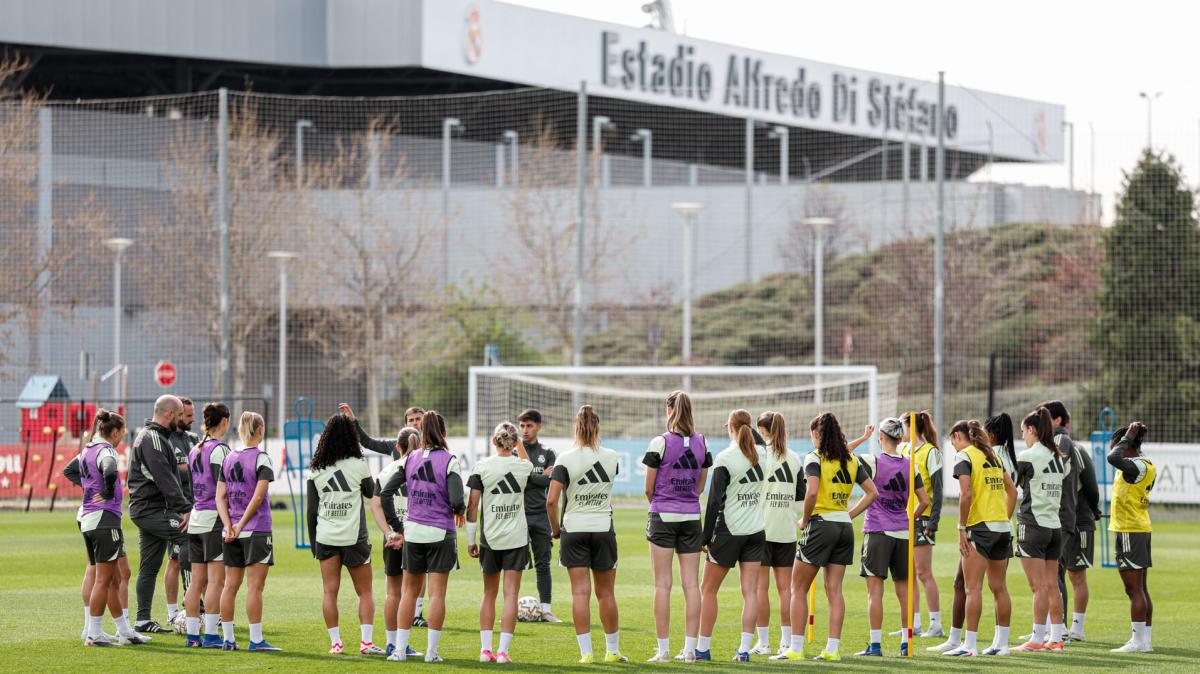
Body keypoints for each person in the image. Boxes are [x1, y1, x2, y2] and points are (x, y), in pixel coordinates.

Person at [774, 412, 877, 662]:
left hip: (820, 525)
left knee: (797, 587)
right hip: (843, 527)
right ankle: (832, 649)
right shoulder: (851, 459)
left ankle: (796, 649)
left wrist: (805, 520)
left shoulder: (814, 458)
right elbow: (872, 492)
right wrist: (848, 515)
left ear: (818, 435)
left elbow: (811, 493)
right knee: (835, 591)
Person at [929, 413, 1018, 654]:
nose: (953, 446)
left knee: (973, 588)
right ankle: (1002, 645)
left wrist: (961, 528)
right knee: (1000, 588)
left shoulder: (964, 456)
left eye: (952, 441)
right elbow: (1013, 492)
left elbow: (965, 494)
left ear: (958, 437)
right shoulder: (993, 456)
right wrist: (1003, 518)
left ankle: (969, 645)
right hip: (1002, 528)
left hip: (980, 528)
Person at [382, 410, 465, 663]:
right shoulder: (450, 460)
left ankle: (399, 651)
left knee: (408, 592)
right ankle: (431, 653)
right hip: (440, 532)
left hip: (414, 532)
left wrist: (399, 527)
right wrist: (459, 511)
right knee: (437, 594)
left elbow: (386, 494)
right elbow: (457, 499)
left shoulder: (409, 459)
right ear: (444, 432)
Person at [547, 405, 626, 664]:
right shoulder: (612, 456)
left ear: (575, 427)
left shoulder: (565, 458)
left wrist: (556, 529)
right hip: (603, 528)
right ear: (598, 427)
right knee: (606, 594)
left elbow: (551, 501)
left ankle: (586, 654)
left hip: (574, 529)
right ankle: (612, 651)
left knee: (580, 593)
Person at [69, 409, 148, 646]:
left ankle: (124, 630)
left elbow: (69, 470)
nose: (122, 437)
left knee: (114, 578)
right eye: (122, 433)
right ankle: (93, 633)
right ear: (113, 432)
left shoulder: (87, 450)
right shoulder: (106, 451)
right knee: (103, 580)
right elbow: (110, 469)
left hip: (90, 520)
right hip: (105, 520)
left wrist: (90, 487)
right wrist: (103, 491)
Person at [307, 412, 383, 656]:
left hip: (326, 537)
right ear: (352, 437)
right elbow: (371, 493)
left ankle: (336, 644)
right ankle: (366, 643)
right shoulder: (359, 466)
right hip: (354, 538)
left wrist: (313, 543)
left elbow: (311, 511)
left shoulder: (316, 469)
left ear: (326, 438)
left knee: (330, 591)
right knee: (366, 591)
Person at [642, 391, 709, 663]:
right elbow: (701, 485)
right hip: (691, 516)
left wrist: (663, 502)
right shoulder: (702, 442)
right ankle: (690, 650)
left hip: (663, 515)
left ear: (669, 409)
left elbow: (648, 488)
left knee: (662, 585)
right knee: (692, 585)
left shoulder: (660, 442)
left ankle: (664, 651)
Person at [855, 417, 929, 657]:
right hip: (902, 534)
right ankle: (906, 643)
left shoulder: (872, 461)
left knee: (874, 591)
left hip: (877, 531)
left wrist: (863, 439)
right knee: (904, 591)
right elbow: (925, 501)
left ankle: (875, 645)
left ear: (882, 437)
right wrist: (909, 520)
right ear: (900, 438)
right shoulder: (911, 465)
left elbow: (839, 454)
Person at [695, 409, 766, 662]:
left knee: (708, 590)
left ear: (730, 428)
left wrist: (703, 539)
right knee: (751, 592)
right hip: (756, 531)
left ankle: (702, 648)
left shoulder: (726, 457)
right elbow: (755, 439)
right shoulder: (764, 453)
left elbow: (714, 503)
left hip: (729, 531)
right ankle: (744, 651)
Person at [466, 422, 536, 664]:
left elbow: (472, 506)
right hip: (516, 538)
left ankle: (486, 651)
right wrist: (519, 446)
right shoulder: (523, 466)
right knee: (511, 594)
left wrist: (469, 540)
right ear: (515, 442)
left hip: (489, 538)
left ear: (493, 442)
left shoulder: (481, 466)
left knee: (489, 593)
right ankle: (504, 652)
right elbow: (530, 467)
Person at [215, 411, 280, 652]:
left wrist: (227, 524)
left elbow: (219, 497)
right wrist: (241, 524)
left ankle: (228, 639)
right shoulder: (262, 458)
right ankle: (255, 640)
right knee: (255, 588)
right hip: (256, 530)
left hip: (230, 531)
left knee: (229, 586)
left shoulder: (228, 458)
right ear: (260, 430)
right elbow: (259, 496)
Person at [127, 394, 191, 633]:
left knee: (150, 566)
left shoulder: (155, 437)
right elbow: (164, 478)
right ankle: (194, 605)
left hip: (150, 508)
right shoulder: (152, 439)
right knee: (189, 537)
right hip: (151, 509)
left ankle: (142, 620)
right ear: (169, 414)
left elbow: (169, 477)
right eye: (180, 415)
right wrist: (184, 508)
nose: (182, 420)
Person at [1040, 401, 1101, 642]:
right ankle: (1054, 626)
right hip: (1060, 520)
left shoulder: (1075, 450)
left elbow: (1092, 488)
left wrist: (1093, 510)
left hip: (1079, 521)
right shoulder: (1049, 448)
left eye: (1045, 419)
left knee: (1076, 575)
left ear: (1057, 421)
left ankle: (1077, 628)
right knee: (1055, 573)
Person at [1011, 407, 1069, 655]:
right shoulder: (1058, 457)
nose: (1022, 436)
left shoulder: (1028, 455)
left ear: (1032, 430)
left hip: (1033, 525)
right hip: (1054, 527)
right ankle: (1055, 638)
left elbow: (1011, 484)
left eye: (1023, 431)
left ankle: (1036, 638)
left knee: (1038, 587)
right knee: (1052, 585)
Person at [751, 410, 803, 657]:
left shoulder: (760, 455)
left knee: (761, 588)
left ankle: (763, 643)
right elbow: (801, 496)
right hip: (787, 529)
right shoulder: (795, 458)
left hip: (762, 528)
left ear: (762, 431)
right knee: (786, 590)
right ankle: (786, 642)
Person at [184, 402, 232, 649]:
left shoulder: (195, 449)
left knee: (196, 581)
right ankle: (212, 634)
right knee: (216, 582)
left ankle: (193, 636)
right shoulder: (220, 450)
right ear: (223, 421)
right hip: (213, 519)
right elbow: (224, 490)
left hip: (196, 518)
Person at [1107, 421, 1155, 653]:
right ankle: (1145, 640)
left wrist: (1127, 436)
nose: (1113, 449)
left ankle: (1137, 641)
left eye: (1115, 445)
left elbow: (1112, 458)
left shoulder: (1134, 466)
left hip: (1129, 531)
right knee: (1141, 589)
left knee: (1133, 589)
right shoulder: (1146, 465)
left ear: (1126, 445)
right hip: (1140, 528)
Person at [898, 411, 943, 638]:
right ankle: (913, 623)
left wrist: (932, 522)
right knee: (909, 574)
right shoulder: (904, 450)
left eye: (903, 426)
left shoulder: (930, 452)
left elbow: (938, 490)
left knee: (924, 572)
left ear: (912, 427)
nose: (900, 431)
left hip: (922, 518)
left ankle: (935, 623)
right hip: (904, 519)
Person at [518, 408, 561, 623]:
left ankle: (546, 610)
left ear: (539, 426)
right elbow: (520, 480)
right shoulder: (515, 451)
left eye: (529, 426)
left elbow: (551, 481)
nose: (525, 430)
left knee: (543, 563)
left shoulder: (549, 452)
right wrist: (539, 475)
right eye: (522, 426)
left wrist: (531, 476)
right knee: (514, 564)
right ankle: (510, 608)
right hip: (517, 515)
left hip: (541, 516)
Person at [165, 396, 199, 628]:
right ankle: (173, 611)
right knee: (176, 559)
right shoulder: (166, 440)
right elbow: (167, 470)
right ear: (176, 416)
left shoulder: (195, 439)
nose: (192, 419)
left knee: (199, 559)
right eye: (188, 416)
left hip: (198, 507)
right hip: (177, 508)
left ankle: (197, 606)